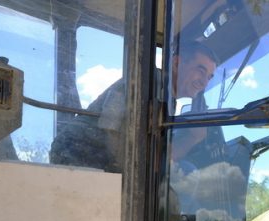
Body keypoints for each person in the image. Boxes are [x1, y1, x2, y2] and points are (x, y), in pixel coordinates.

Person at [50, 41, 220, 172]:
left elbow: (159, 159)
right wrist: (128, 173)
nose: (204, 82)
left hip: (102, 161)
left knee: (187, 171)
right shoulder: (145, 81)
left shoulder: (168, 101)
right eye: (200, 71)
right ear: (176, 63)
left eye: (209, 77)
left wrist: (194, 138)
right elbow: (110, 129)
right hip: (76, 154)